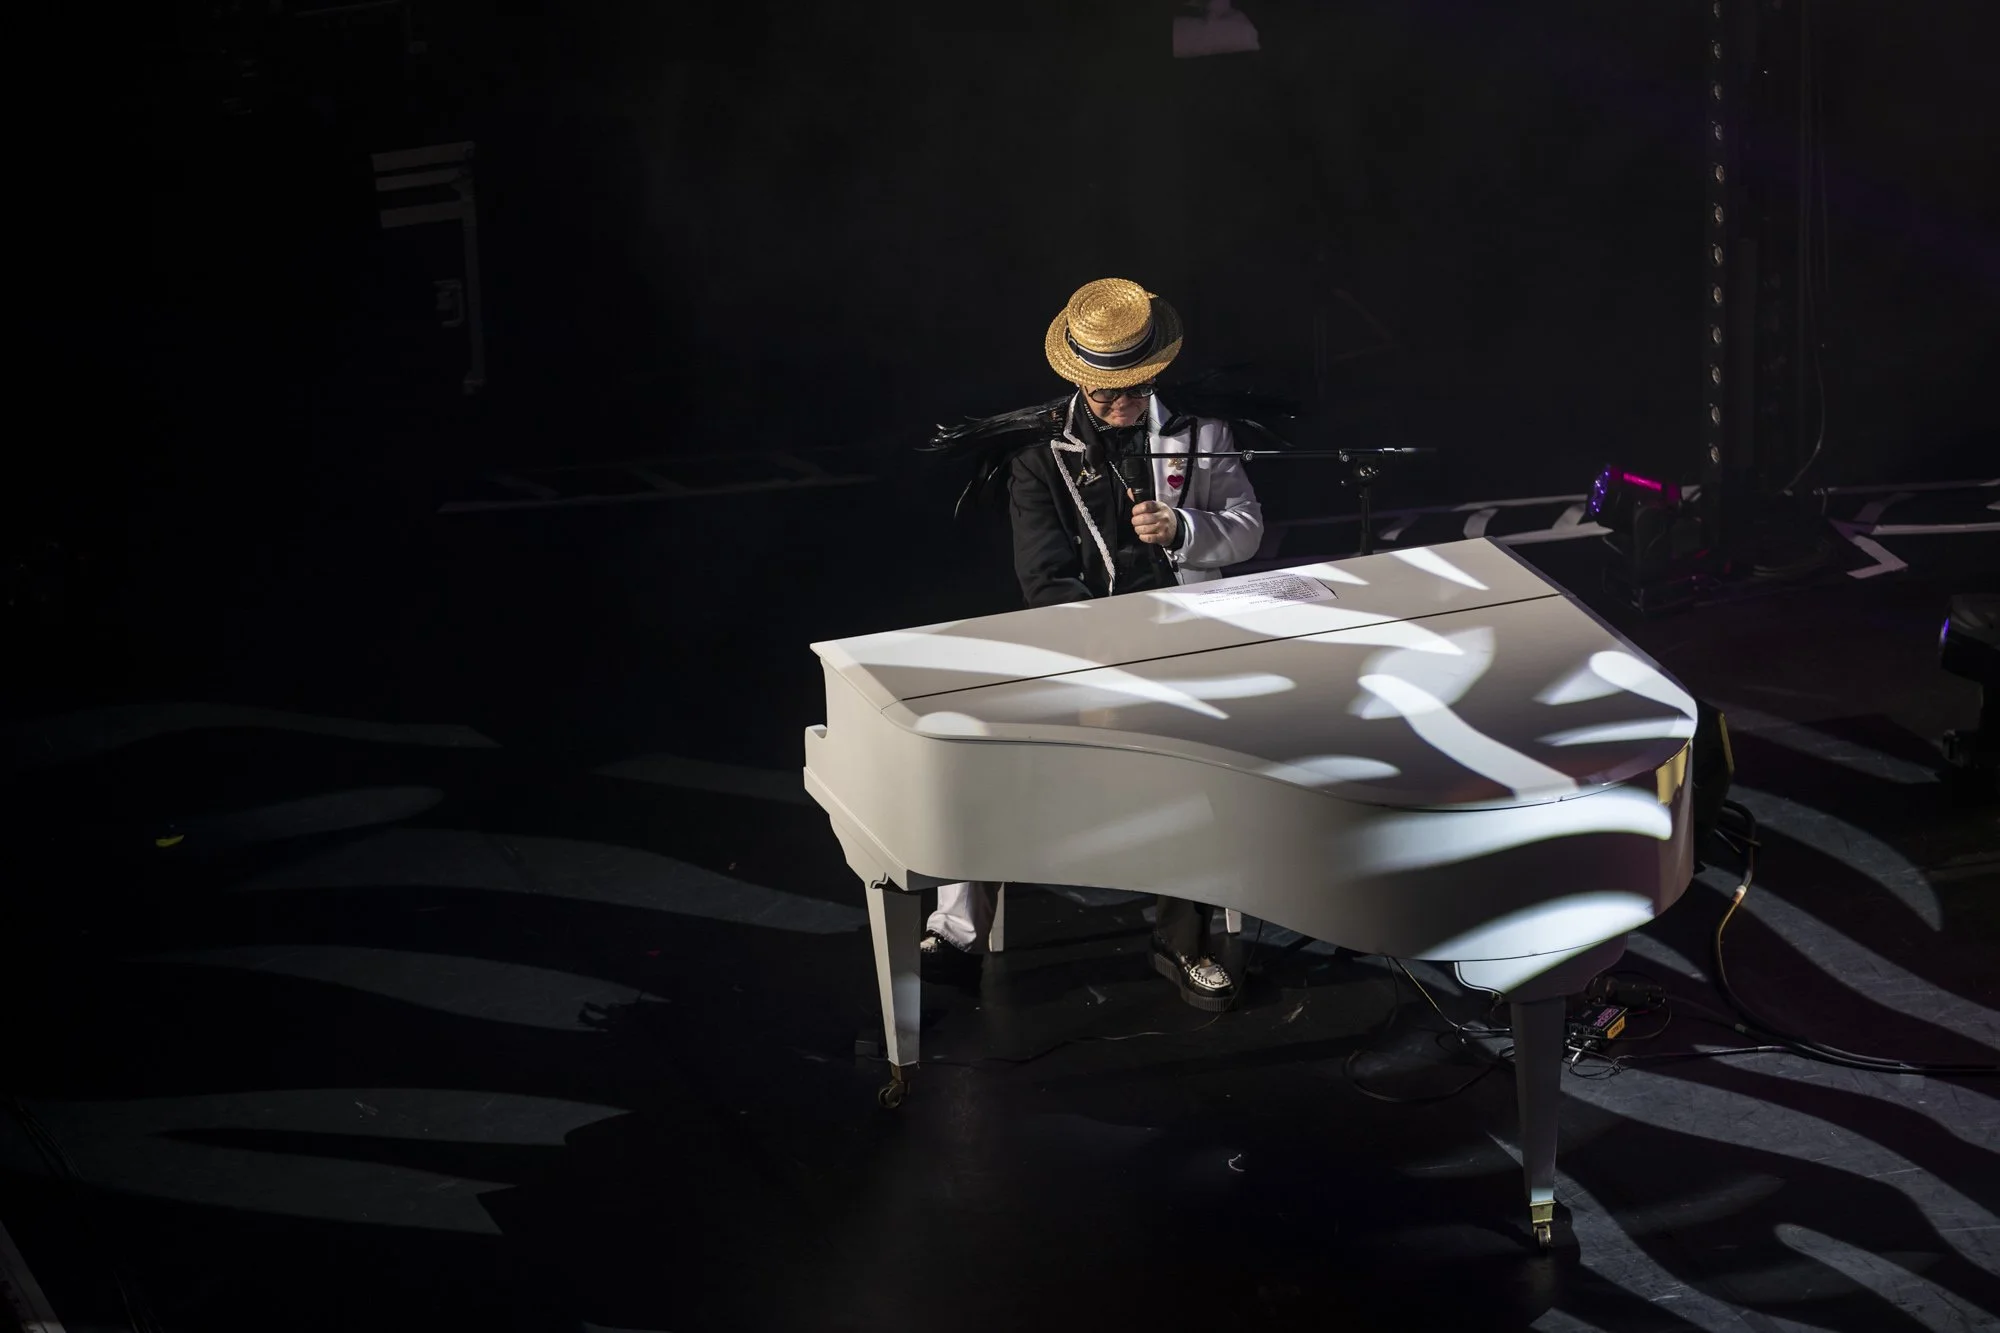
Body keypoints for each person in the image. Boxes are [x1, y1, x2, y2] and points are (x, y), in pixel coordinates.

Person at [920, 277, 1265, 1010]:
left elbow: (1247, 524)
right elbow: (1043, 576)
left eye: (1131, 390)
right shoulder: (1038, 447)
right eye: (1103, 391)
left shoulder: (1199, 429)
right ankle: (956, 929)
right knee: (981, 748)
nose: (1117, 404)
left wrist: (1186, 529)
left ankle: (1182, 936)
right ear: (1079, 376)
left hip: (1186, 639)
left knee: (1202, 757)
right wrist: (1104, 655)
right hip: (1073, 639)